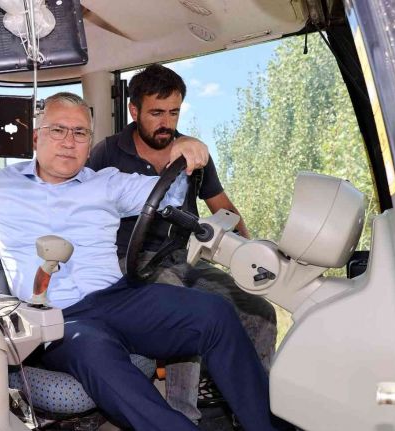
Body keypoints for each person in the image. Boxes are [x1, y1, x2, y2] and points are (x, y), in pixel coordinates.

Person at [0, 92, 285, 431]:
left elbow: (170, 194)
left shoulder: (106, 182)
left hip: (119, 298)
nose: (69, 141)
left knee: (215, 313)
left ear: (89, 142)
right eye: (57, 130)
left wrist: (183, 149)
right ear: (36, 137)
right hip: (54, 318)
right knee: (95, 352)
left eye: (80, 132)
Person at [87, 64, 277, 424]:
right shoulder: (107, 153)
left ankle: (255, 409)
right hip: (131, 264)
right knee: (185, 310)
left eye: (173, 112)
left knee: (259, 310)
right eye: (156, 113)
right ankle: (182, 416)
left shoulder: (194, 155)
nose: (166, 123)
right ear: (134, 111)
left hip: (185, 257)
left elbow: (223, 207)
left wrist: (251, 256)